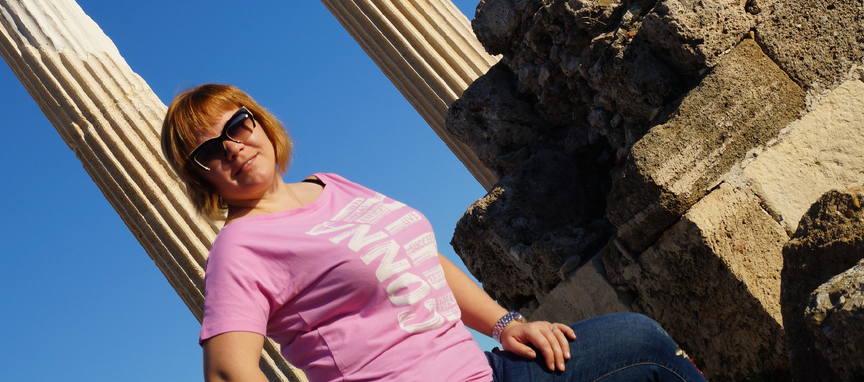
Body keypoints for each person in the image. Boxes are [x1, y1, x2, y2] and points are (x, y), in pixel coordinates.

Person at [161, 83, 707, 382]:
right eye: (209, 150)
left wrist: (506, 323)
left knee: (642, 341)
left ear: (258, 120)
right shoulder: (241, 246)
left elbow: (421, 261)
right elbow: (228, 371)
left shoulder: (330, 185)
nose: (232, 146)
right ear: (200, 175)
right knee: (645, 353)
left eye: (237, 125)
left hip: (482, 369)